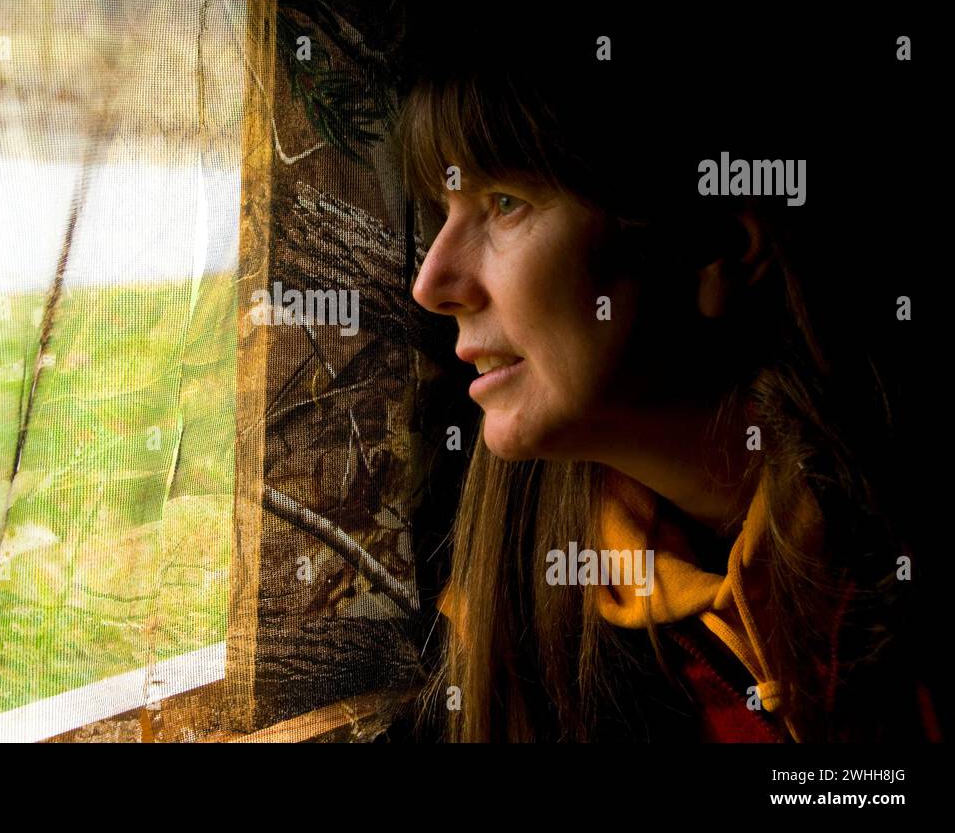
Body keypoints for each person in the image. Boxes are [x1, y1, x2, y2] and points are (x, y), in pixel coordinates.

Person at [396, 48, 942, 743]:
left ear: (719, 250)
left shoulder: (896, 526)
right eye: (443, 210)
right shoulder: (519, 607)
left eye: (505, 202)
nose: (432, 283)